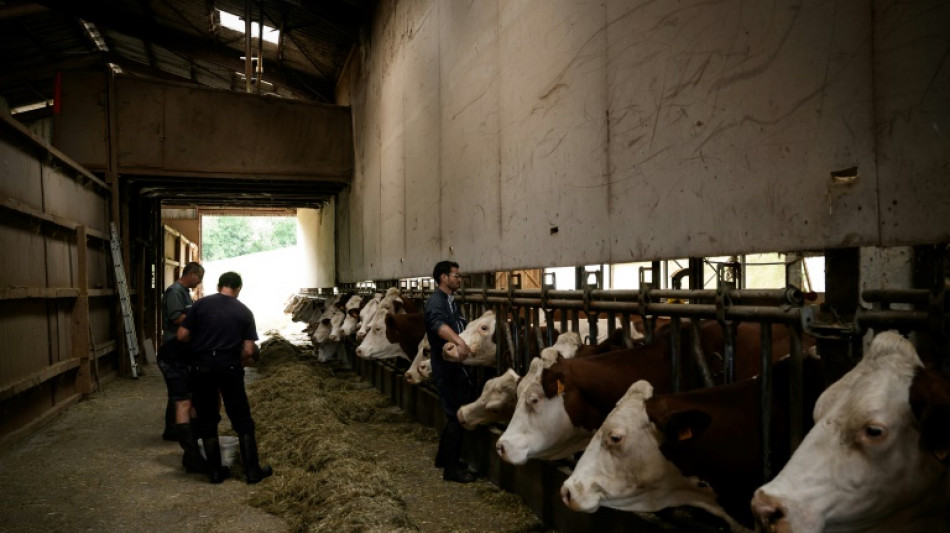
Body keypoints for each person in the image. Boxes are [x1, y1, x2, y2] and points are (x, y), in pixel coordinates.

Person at [177, 271, 272, 484]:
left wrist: (200, 345)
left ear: (219, 285)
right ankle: (252, 471)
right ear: (239, 288)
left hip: (201, 368)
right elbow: (248, 350)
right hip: (229, 368)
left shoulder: (200, 305)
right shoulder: (244, 311)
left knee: (207, 419)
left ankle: (215, 472)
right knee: (242, 419)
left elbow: (182, 335)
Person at [424, 260, 477, 483]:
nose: (459, 278)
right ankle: (452, 471)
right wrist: (460, 342)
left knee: (452, 412)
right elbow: (438, 325)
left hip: (452, 364)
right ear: (443, 278)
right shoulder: (437, 301)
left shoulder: (450, 301)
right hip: (445, 365)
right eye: (455, 275)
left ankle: (444, 459)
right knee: (456, 415)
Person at [158, 261, 206, 473]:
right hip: (172, 345)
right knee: (179, 393)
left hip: (180, 346)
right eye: (199, 277)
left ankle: (174, 429)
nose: (200, 282)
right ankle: (172, 429)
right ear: (192, 274)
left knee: (179, 391)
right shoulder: (175, 292)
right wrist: (199, 316)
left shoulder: (184, 292)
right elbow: (176, 317)